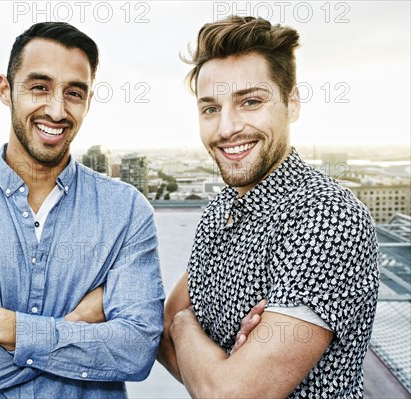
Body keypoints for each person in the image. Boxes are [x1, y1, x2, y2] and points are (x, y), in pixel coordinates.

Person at [0, 22, 164, 398]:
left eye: (74, 92)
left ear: (88, 102)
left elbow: (136, 352)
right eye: (40, 87)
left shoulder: (127, 211)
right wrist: (76, 325)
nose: (56, 109)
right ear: (5, 90)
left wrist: (7, 328)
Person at [157, 16, 379, 398]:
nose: (226, 128)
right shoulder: (221, 207)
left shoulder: (326, 217)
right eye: (210, 108)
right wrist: (220, 364)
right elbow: (160, 336)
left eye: (251, 101)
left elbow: (230, 394)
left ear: (292, 103)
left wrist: (183, 326)